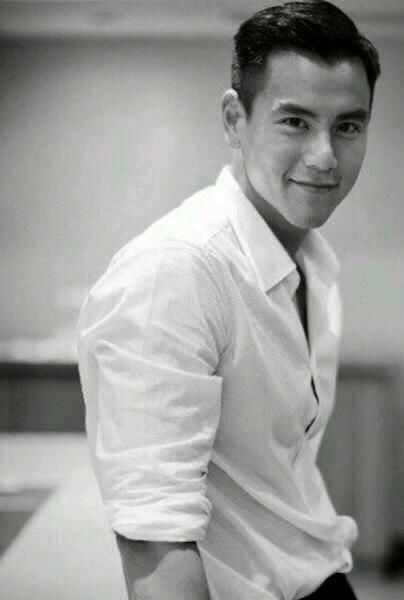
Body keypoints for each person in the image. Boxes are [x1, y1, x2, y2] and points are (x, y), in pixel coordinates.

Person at [77, 1, 380, 598]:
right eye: (295, 122)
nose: (324, 156)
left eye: (348, 126)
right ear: (234, 120)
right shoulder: (177, 272)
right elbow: (154, 539)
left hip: (317, 572)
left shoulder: (312, 261)